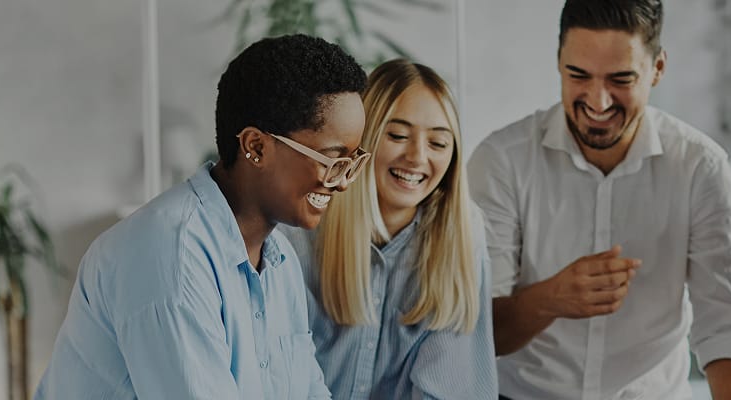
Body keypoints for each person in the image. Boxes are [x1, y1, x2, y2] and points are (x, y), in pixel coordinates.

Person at [34, 34, 367, 399]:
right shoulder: (170, 254)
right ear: (256, 146)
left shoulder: (280, 261)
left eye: (353, 162)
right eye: (333, 161)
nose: (343, 183)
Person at [467, 0, 731, 398]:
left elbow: (726, 323)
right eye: (578, 75)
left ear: (657, 69)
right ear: (558, 61)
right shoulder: (501, 160)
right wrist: (551, 298)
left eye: (620, 79)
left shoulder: (699, 166)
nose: (598, 101)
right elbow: (479, 334)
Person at [283, 59, 496, 399]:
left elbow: (450, 385)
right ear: (360, 141)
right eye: (397, 135)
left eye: (438, 143)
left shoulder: (462, 233)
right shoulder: (300, 230)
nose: (417, 157)